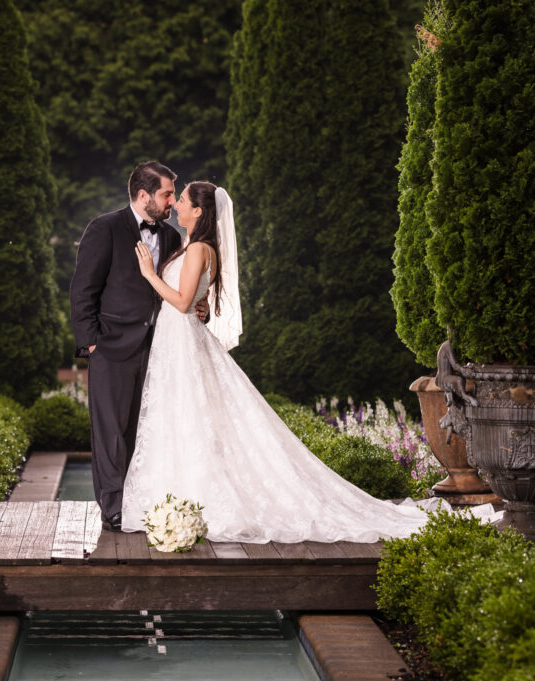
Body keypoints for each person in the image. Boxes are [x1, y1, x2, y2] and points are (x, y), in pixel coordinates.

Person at [121, 182, 434, 543]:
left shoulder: (197, 250)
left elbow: (180, 302)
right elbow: (194, 302)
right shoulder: (196, 248)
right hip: (178, 342)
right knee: (189, 418)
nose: (176, 204)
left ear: (199, 212)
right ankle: (180, 498)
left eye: (184, 200)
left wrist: (149, 276)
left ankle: (197, 501)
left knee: (192, 416)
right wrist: (197, 306)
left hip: (182, 342)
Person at [70, 161, 208, 532]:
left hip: (159, 349)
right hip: (111, 349)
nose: (169, 203)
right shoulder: (104, 229)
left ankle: (140, 501)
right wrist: (91, 345)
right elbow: (82, 292)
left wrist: (199, 303)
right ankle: (113, 508)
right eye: (166, 194)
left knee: (146, 427)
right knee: (111, 432)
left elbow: (180, 290)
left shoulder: (171, 238)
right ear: (143, 195)